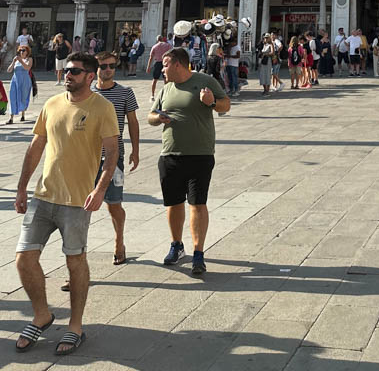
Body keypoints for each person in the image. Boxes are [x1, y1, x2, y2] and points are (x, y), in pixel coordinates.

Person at [14, 52, 119, 356]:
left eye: (74, 71)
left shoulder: (103, 107)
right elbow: (37, 145)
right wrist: (22, 187)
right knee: (23, 259)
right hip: (43, 195)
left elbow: (111, 153)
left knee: (75, 262)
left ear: (89, 76)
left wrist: (100, 189)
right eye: (66, 69)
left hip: (77, 201)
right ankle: (42, 315)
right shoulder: (52, 104)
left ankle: (75, 326)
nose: (67, 75)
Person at [148, 47, 230, 276]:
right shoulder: (166, 89)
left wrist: (211, 102)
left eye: (164, 65)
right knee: (173, 203)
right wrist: (158, 118)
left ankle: (198, 252)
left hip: (200, 154)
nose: (161, 69)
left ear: (178, 65)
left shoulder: (205, 81)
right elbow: (150, 115)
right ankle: (176, 245)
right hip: (170, 154)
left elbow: (226, 105)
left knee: (197, 203)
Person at [87, 52, 139, 267]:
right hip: (86, 157)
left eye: (111, 66)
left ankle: (119, 242)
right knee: (81, 207)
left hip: (113, 156)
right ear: (95, 70)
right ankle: (78, 255)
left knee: (114, 204)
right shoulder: (87, 92)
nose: (107, 69)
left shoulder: (125, 93)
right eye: (103, 66)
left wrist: (136, 150)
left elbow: (133, 123)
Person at [7, 44, 34, 124]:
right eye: (20, 50)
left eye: (23, 50)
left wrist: (21, 61)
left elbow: (27, 68)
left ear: (27, 52)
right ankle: (11, 117)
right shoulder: (16, 60)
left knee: (23, 97)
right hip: (15, 80)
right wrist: (13, 62)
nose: (21, 52)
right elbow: (9, 70)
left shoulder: (29, 59)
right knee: (13, 97)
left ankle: (23, 114)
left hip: (25, 81)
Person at [146, 34, 174, 99]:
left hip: (158, 63)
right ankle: (167, 93)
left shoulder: (154, 46)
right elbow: (172, 54)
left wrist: (148, 67)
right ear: (162, 39)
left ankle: (152, 95)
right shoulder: (168, 45)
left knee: (155, 79)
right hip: (165, 63)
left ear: (157, 40)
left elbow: (151, 57)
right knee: (166, 79)